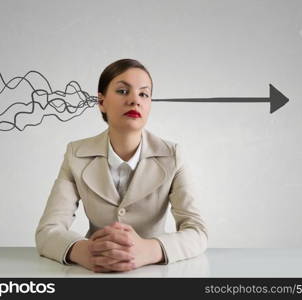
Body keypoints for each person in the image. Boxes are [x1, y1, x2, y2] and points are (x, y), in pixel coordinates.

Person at [35, 58, 208, 273]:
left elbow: (197, 232)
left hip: (155, 273)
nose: (135, 101)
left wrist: (149, 250)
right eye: (123, 91)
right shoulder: (76, 154)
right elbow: (47, 231)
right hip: (93, 273)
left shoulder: (172, 155)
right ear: (101, 101)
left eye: (144, 94)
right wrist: (85, 252)